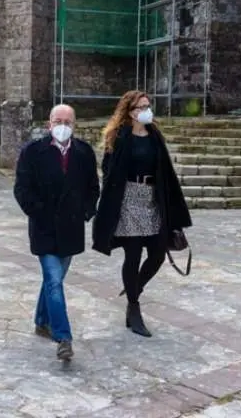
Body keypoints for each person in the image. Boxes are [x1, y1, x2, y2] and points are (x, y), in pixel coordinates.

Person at [92, 91, 192, 338]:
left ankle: (133, 288)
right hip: (128, 199)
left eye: (148, 105)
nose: (147, 110)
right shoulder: (119, 136)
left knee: (158, 253)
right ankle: (134, 308)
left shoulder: (155, 135)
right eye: (141, 107)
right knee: (133, 253)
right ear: (130, 111)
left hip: (152, 198)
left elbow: (165, 171)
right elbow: (108, 169)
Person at [14, 104, 99, 361]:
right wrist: (38, 212)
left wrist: (86, 211)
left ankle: (42, 320)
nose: (63, 125)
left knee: (54, 281)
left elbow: (93, 187)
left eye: (68, 121)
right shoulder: (32, 152)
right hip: (44, 228)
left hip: (71, 229)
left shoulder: (84, 152)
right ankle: (63, 337)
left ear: (74, 125)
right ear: (49, 124)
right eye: (58, 120)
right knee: (53, 280)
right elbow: (22, 189)